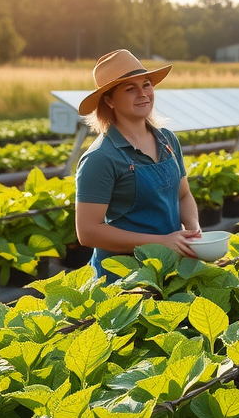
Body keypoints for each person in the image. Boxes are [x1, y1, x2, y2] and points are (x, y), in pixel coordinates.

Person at [74, 49, 202, 281]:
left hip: (168, 268)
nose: (143, 94)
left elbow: (183, 196)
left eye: (146, 85)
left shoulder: (167, 140)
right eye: (130, 89)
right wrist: (162, 241)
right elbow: (88, 232)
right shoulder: (101, 158)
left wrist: (192, 230)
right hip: (123, 279)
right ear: (109, 100)